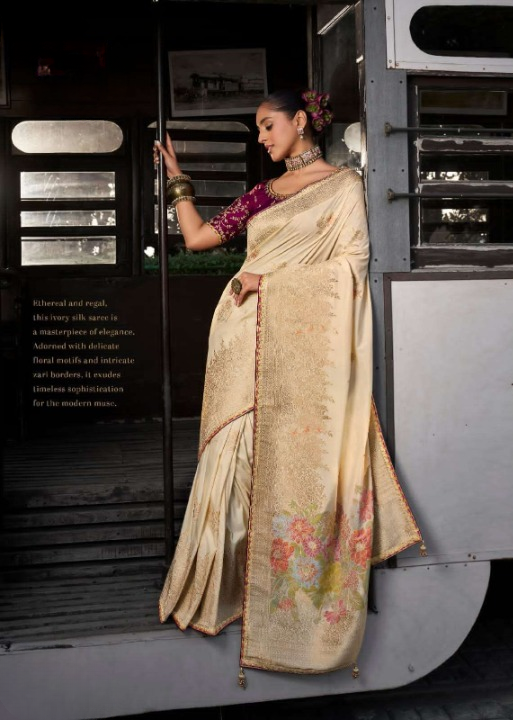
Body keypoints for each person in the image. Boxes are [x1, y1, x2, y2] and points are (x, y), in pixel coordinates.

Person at [154, 88, 425, 687]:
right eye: (258, 129)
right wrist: (178, 180)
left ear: (301, 121)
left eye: (267, 125)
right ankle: (221, 591)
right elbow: (198, 239)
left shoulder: (344, 187)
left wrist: (270, 282)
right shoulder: (263, 193)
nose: (261, 137)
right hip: (240, 337)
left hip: (294, 339)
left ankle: (281, 605)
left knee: (279, 459)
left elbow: (351, 266)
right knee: (233, 459)